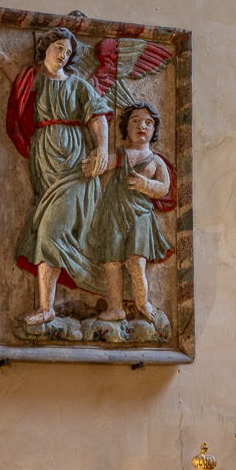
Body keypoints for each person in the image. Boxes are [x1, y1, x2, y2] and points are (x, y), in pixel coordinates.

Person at [0, 26, 112, 326]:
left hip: (77, 167)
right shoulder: (34, 78)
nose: (63, 55)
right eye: (59, 48)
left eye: (68, 52)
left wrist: (102, 148)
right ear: (46, 48)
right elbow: (16, 76)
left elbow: (98, 115)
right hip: (45, 164)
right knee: (44, 229)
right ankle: (54, 305)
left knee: (51, 230)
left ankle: (47, 307)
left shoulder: (78, 85)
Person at [82, 102, 173, 323]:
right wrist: (92, 163)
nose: (142, 126)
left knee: (136, 263)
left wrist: (145, 184)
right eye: (135, 121)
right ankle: (116, 308)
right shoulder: (122, 155)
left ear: (154, 129)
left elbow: (164, 187)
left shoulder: (156, 161)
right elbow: (103, 164)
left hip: (140, 217)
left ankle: (143, 303)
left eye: (148, 123)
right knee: (112, 263)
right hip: (114, 214)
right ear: (125, 127)